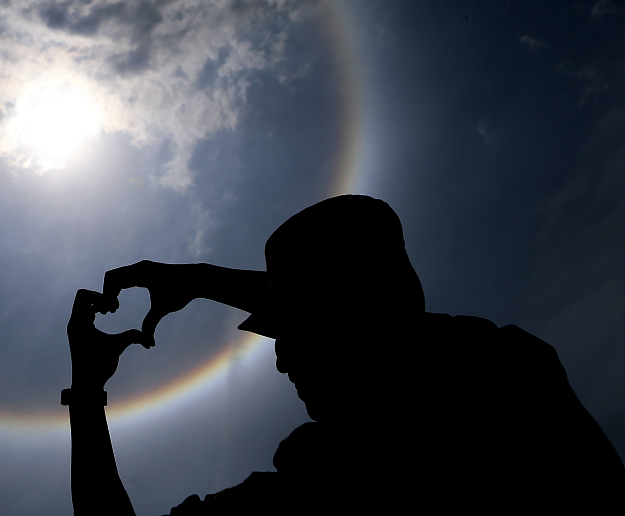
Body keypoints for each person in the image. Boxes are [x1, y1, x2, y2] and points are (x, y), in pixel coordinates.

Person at [64, 195, 625, 514]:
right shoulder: (512, 378)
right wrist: (198, 280)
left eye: (293, 333)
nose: (281, 361)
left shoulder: (499, 383)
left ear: (356, 320)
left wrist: (88, 393)